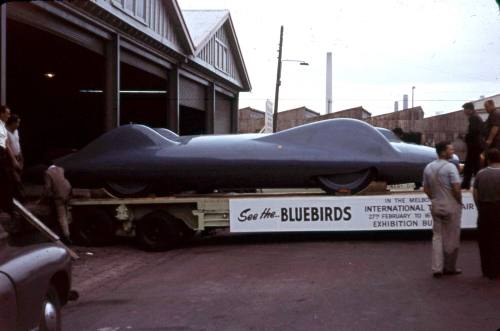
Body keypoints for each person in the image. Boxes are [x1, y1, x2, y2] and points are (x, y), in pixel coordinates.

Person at [423, 141, 463, 278]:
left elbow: (426, 188)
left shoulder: (428, 167)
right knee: (452, 237)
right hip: (450, 204)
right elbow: (456, 188)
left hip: (436, 203)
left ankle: (437, 268)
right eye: (450, 149)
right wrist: (459, 201)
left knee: (437, 237)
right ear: (443, 152)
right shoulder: (451, 167)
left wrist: (433, 198)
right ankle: (450, 267)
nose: (452, 151)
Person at [473, 148, 500, 280]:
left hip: (484, 209)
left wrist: (480, 206)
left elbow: (475, 194)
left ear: (488, 159)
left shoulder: (480, 174)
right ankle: (497, 269)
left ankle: (487, 269)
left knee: (484, 240)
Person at [39, 165, 72, 242]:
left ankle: (67, 237)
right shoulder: (61, 169)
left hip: (59, 195)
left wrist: (42, 199)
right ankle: (69, 230)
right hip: (68, 189)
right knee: (67, 212)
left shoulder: (47, 173)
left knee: (62, 216)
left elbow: (48, 187)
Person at [461, 102, 483, 189]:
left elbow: (474, 131)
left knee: (469, 165)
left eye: (465, 110)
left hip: (474, 145)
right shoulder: (476, 117)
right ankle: (479, 184)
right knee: (475, 165)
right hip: (477, 145)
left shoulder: (473, 118)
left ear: (469, 109)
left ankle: (466, 184)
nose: (464, 112)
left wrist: (465, 137)